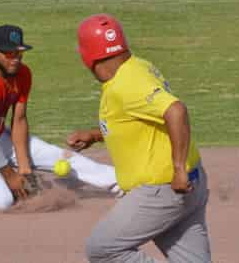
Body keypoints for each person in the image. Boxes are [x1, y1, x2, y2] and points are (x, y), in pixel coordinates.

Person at [67, 14, 211, 262]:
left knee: (103, 249)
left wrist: (178, 169)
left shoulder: (126, 84)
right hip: (191, 183)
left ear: (86, 56)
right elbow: (141, 120)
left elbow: (175, 111)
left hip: (164, 190)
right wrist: (95, 135)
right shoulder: (138, 66)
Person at [0, 24, 120, 210]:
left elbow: (19, 120)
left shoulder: (23, 74)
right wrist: (9, 175)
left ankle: (121, 182)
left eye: (19, 53)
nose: (16, 59)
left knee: (60, 157)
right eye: (9, 53)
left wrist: (24, 168)